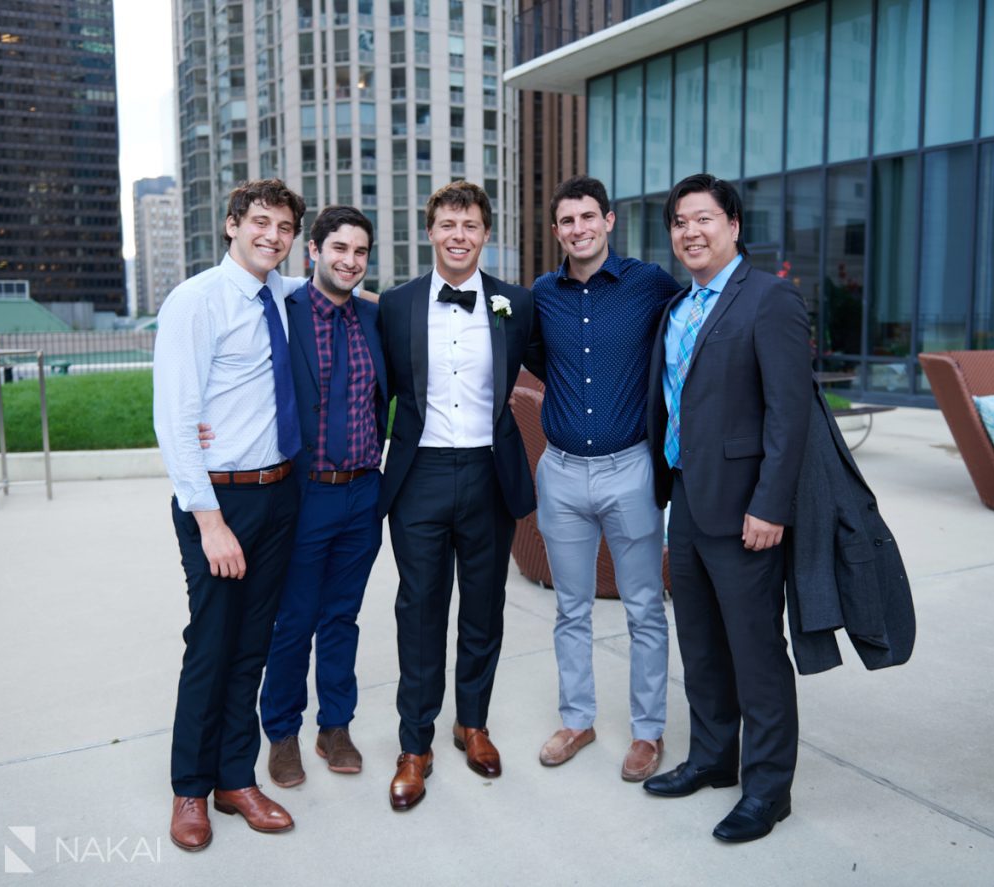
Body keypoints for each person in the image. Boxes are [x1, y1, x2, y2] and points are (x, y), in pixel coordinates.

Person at [643, 174, 812, 843]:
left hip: (747, 511)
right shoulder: (678, 309)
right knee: (703, 645)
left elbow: (788, 414)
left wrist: (770, 504)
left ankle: (768, 789)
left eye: (704, 218)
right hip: (685, 499)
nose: (691, 231)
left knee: (756, 652)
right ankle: (713, 758)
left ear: (734, 225)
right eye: (679, 221)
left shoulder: (768, 299)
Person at [154, 179, 306, 852]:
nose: (272, 236)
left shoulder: (281, 293)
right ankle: (190, 786)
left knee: (254, 645)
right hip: (220, 500)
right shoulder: (196, 301)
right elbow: (175, 419)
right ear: (232, 224)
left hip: (278, 494)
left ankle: (234, 777)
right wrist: (210, 520)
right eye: (261, 223)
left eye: (283, 228)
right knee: (212, 644)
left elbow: (340, 292)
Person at [377, 181, 535, 811]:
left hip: (488, 476)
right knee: (418, 612)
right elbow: (371, 391)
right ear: (431, 231)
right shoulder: (395, 305)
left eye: (470, 225)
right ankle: (415, 745)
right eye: (447, 224)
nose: (459, 235)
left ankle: (473, 723)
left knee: (484, 608)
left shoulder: (515, 304)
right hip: (418, 478)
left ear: (486, 233)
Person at [527, 175, 680, 782]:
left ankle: (648, 733)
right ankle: (577, 719)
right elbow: (537, 357)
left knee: (644, 607)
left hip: (630, 470)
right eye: (567, 221)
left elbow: (690, 332)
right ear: (558, 231)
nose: (579, 229)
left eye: (588, 217)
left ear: (609, 221)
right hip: (561, 473)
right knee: (571, 608)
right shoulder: (542, 293)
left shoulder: (649, 284)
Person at [256, 206, 388, 786]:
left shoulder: (374, 317)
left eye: (360, 251)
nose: (349, 260)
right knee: (295, 619)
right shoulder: (283, 312)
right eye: (339, 248)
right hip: (306, 491)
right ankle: (281, 732)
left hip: (364, 492)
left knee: (343, 616)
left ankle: (336, 725)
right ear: (313, 250)